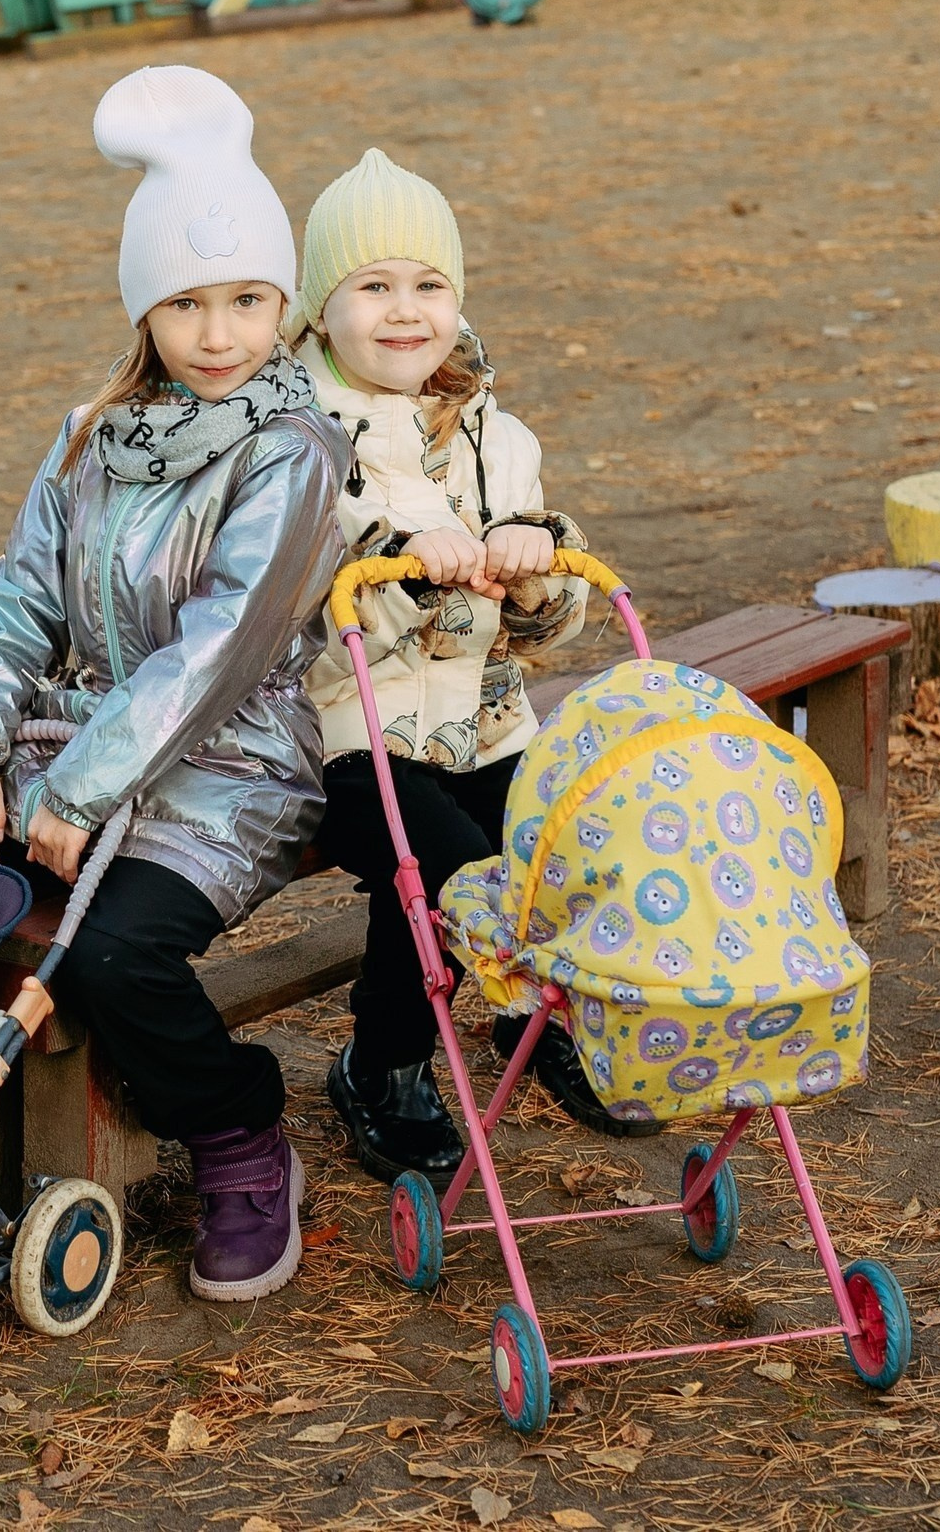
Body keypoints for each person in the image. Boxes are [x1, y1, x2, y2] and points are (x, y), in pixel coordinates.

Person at [0, 65, 348, 1302]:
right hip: (68, 748)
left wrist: (84, 789)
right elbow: (22, 593)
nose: (219, 335)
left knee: (110, 952)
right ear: (144, 306)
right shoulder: (97, 430)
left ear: (282, 304)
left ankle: (237, 1133)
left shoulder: (292, 448)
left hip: (228, 762)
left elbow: (216, 651)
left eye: (250, 299)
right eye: (187, 303)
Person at [295, 148, 603, 1181]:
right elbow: (291, 600)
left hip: (484, 718)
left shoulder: (494, 438)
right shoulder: (298, 439)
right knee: (441, 873)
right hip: (348, 735)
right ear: (321, 304)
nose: (403, 310)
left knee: (560, 842)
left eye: (427, 285)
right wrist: (403, 567)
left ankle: (550, 1018)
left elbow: (544, 629)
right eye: (371, 285)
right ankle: (381, 1065)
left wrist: (529, 561)